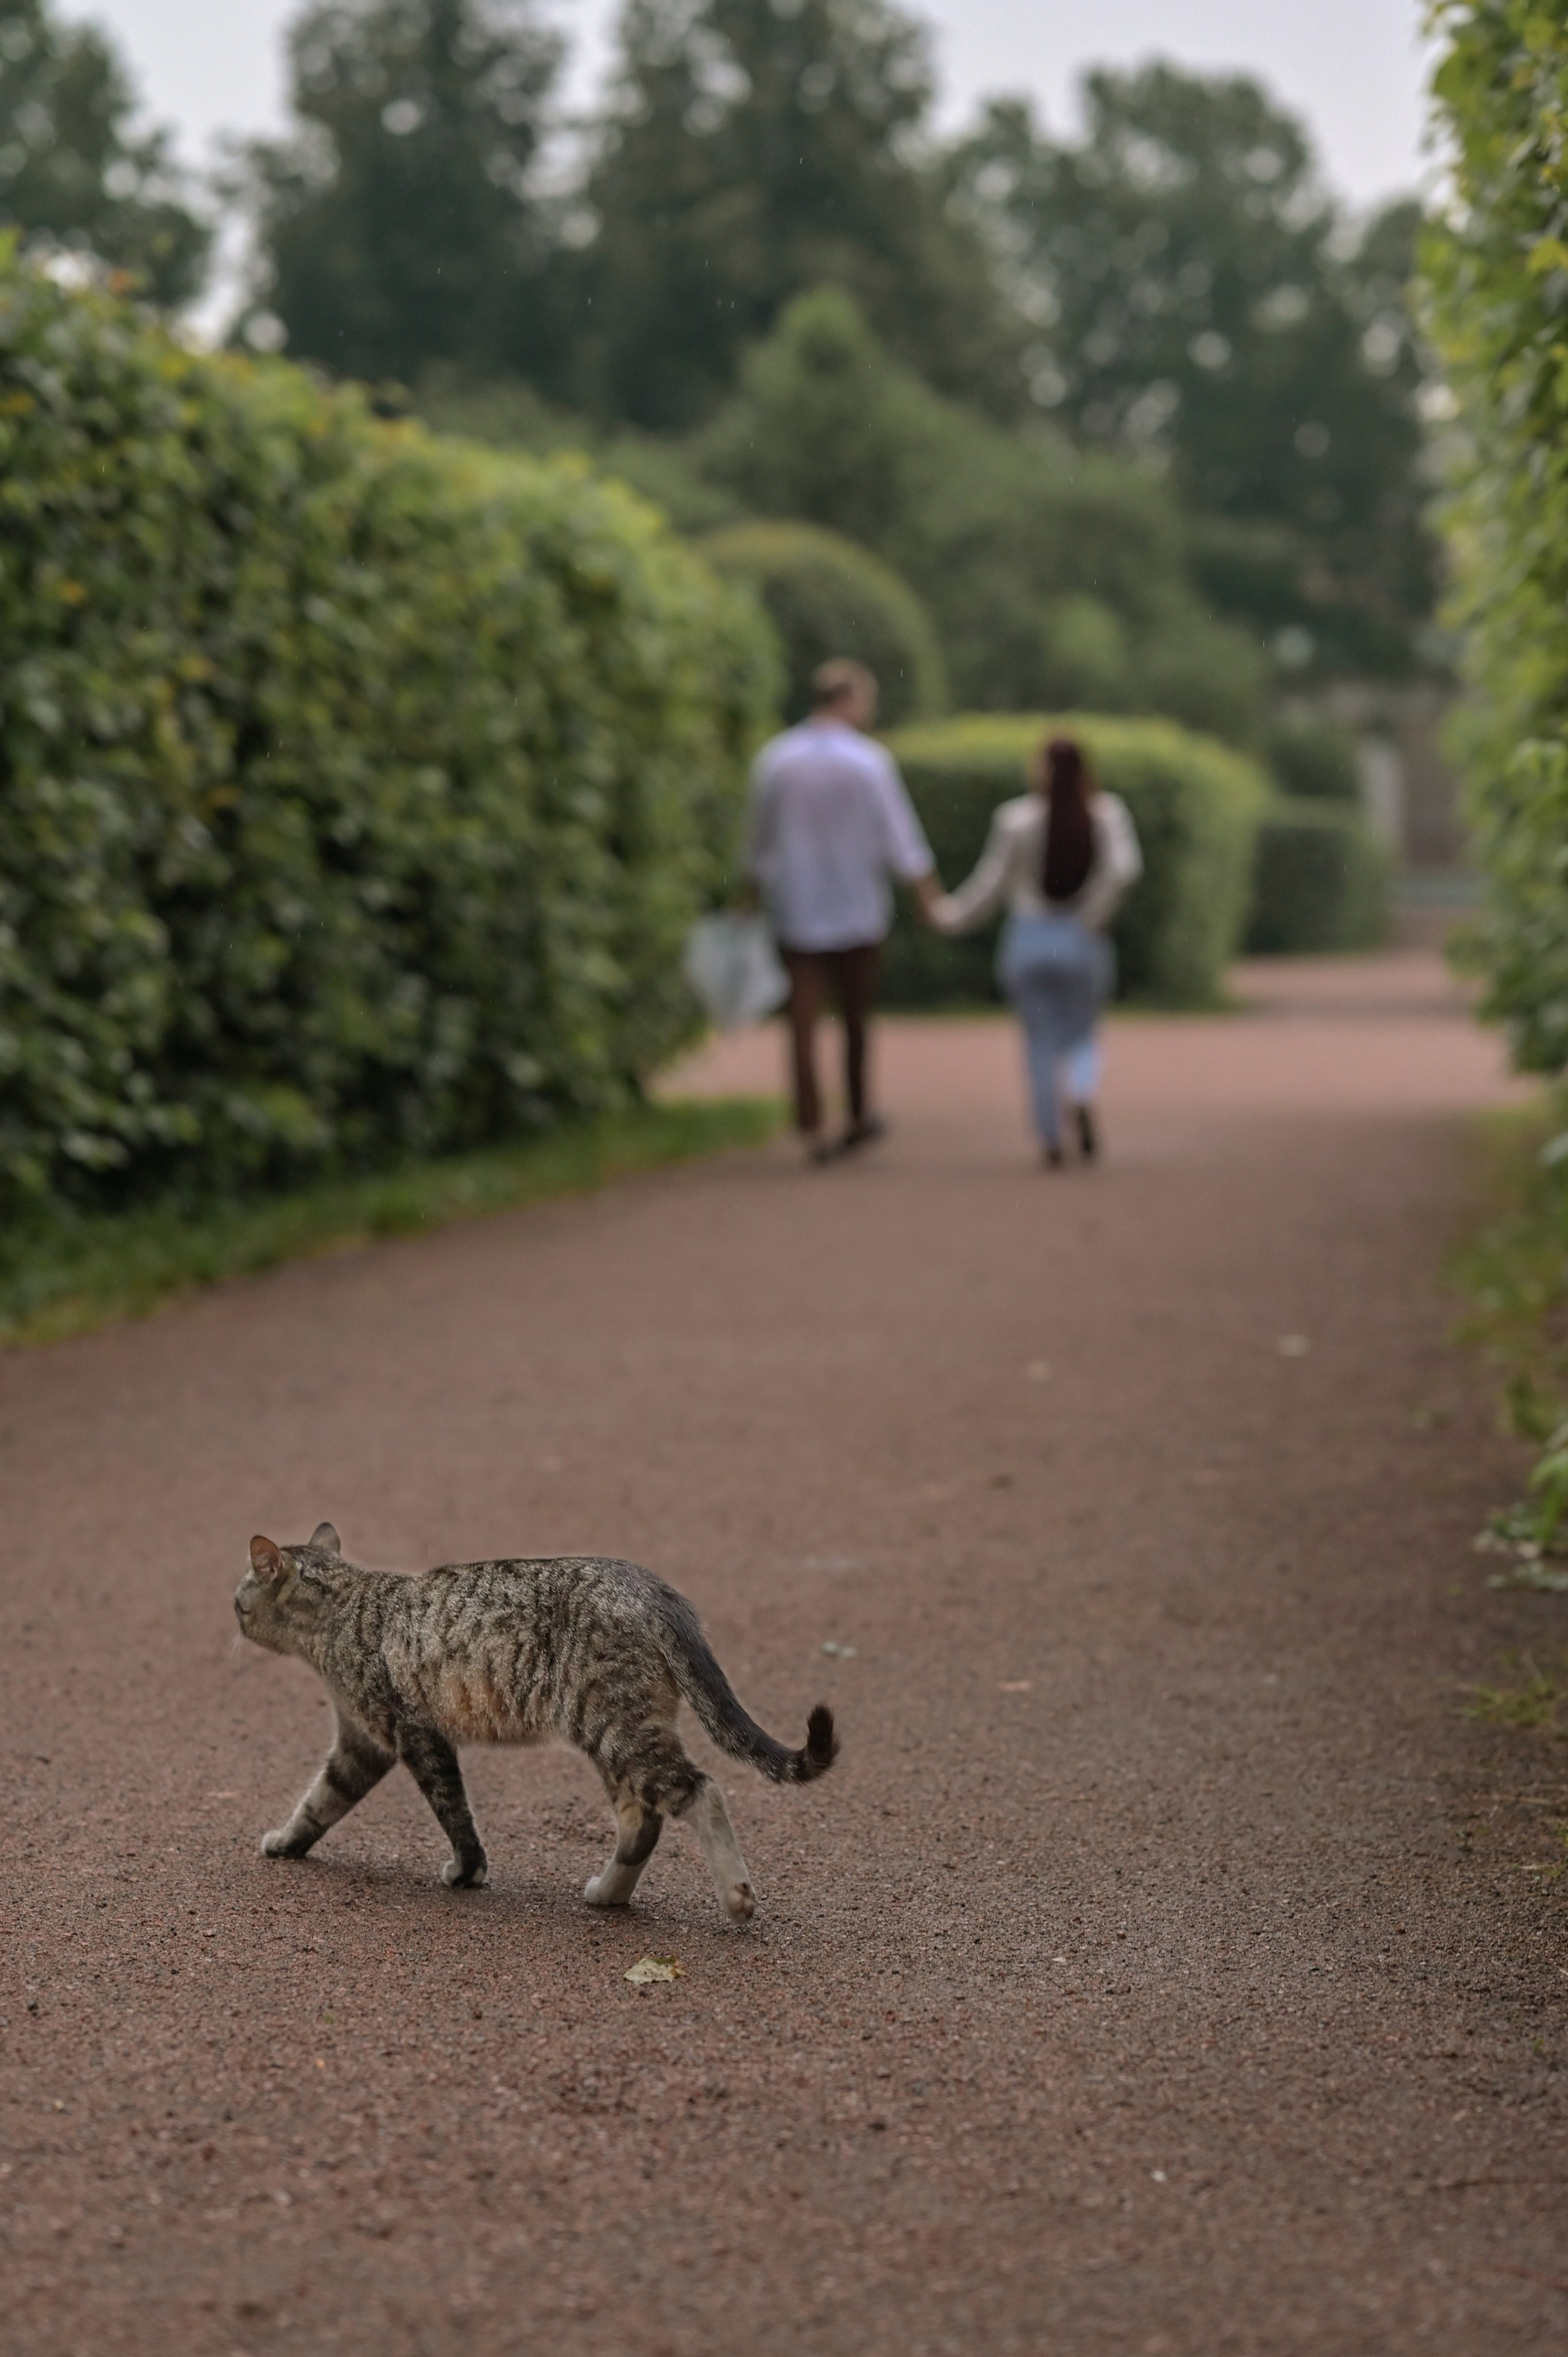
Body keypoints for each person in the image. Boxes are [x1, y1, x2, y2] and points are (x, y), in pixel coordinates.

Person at [748, 659, 941, 1163]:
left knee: (804, 1022)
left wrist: (747, 898)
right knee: (856, 1019)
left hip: (799, 907)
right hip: (858, 909)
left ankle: (810, 1120)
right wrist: (928, 898)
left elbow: (759, 843)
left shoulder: (777, 759)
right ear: (850, 699)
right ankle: (857, 1111)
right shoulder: (869, 762)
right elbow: (903, 841)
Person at [932, 734, 1142, 1167]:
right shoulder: (1107, 814)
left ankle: (1050, 1135)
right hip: (1083, 941)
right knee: (1082, 1033)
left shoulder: (1016, 819)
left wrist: (949, 916)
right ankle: (1081, 1095)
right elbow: (1124, 869)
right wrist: (1093, 916)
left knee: (1039, 1042)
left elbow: (989, 884)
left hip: (1029, 938)